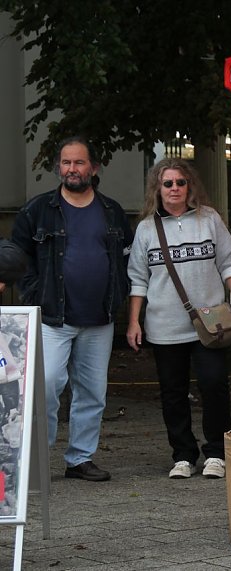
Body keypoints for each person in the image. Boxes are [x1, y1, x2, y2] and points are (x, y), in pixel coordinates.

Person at [12, 136, 133, 482]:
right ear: (58, 167)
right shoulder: (38, 210)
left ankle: (80, 459)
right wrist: (36, 293)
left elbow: (128, 258)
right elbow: (16, 257)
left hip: (100, 318)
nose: (72, 169)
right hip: (53, 317)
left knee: (93, 391)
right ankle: (37, 461)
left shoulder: (111, 211)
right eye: (66, 163)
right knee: (46, 385)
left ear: (94, 168)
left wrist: (120, 292)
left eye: (79, 163)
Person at [126, 158, 231, 479]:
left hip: (211, 324)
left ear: (189, 186)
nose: (175, 189)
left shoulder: (209, 219)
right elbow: (138, 279)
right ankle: (182, 454)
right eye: (168, 183)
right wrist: (134, 321)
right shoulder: (145, 230)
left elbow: (229, 263)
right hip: (164, 325)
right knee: (172, 391)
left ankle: (217, 454)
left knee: (214, 384)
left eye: (180, 182)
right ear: (158, 189)